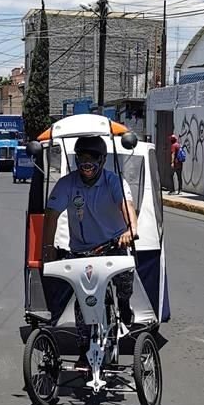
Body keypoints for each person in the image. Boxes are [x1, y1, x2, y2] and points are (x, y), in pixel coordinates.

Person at [42, 135, 138, 365]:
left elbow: (127, 207)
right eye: (82, 158)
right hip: (82, 250)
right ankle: (85, 349)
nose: (87, 164)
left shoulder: (114, 182)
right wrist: (47, 248)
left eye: (92, 159)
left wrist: (130, 229)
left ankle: (124, 305)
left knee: (125, 280)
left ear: (102, 161)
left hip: (113, 244)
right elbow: (51, 216)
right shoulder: (67, 184)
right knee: (84, 301)